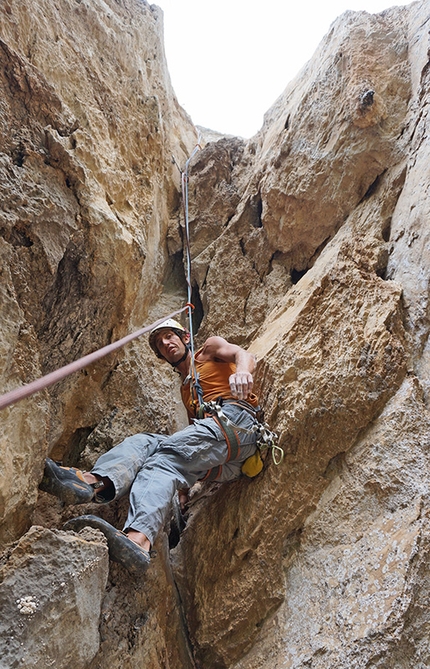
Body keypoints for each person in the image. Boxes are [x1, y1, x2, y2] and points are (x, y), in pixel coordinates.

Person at [39, 319, 261, 574]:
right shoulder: (186, 390)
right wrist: (184, 487)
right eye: (159, 343)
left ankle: (138, 540)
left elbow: (242, 354)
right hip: (226, 460)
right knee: (145, 442)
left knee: (162, 461)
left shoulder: (208, 351)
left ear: (185, 337)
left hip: (237, 424)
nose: (166, 344)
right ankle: (92, 482)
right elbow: (194, 446)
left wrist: (242, 371)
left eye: (169, 337)